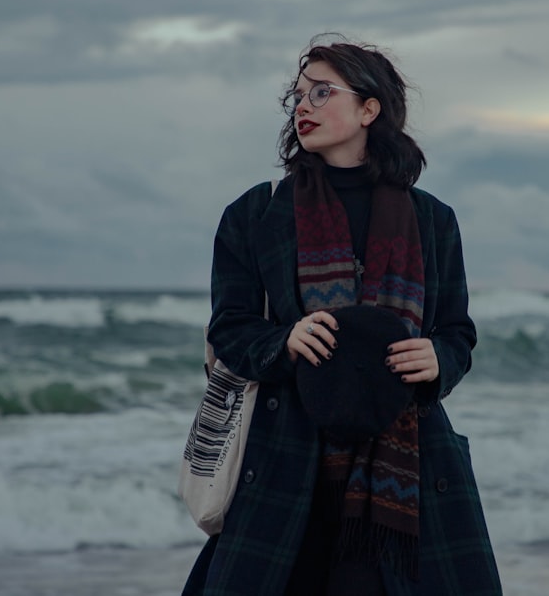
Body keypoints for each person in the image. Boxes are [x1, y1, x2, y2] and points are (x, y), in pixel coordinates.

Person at [182, 35, 502, 595]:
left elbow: (456, 332)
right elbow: (229, 329)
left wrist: (438, 358)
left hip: (406, 473)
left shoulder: (433, 221)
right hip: (287, 463)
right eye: (298, 96)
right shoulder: (257, 213)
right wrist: (284, 341)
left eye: (322, 92)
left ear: (369, 108)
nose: (303, 106)